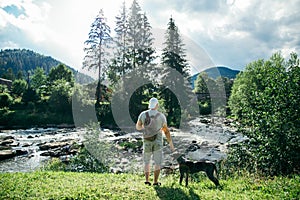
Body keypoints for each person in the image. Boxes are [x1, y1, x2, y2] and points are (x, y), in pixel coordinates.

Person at [136, 97, 175, 186]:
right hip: (157, 141)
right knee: (157, 162)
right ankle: (155, 182)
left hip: (146, 141)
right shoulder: (161, 116)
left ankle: (147, 180)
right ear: (157, 105)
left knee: (147, 161)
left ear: (149, 105)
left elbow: (138, 127)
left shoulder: (143, 114)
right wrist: (171, 144)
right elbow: (166, 131)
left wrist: (144, 128)